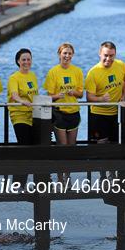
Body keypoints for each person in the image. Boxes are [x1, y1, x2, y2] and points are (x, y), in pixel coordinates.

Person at [84, 41, 125, 180]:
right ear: (100, 53)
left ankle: (113, 173)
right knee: (102, 144)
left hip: (117, 113)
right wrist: (101, 99)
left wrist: (123, 96)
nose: (108, 59)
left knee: (116, 143)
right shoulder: (93, 72)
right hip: (99, 114)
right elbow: (89, 97)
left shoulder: (121, 65)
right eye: (105, 55)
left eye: (111, 56)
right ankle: (103, 175)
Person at [44, 42, 84, 182]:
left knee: (71, 147)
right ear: (59, 54)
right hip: (59, 113)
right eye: (64, 53)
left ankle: (68, 178)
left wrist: (74, 92)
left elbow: (81, 95)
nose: (67, 56)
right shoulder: (53, 72)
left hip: (74, 112)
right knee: (62, 145)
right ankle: (60, 179)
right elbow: (49, 96)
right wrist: (58, 96)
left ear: (72, 55)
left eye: (69, 53)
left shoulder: (77, 71)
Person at [8, 48, 39, 186]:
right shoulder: (14, 77)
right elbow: (14, 95)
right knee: (24, 145)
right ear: (18, 61)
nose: (26, 62)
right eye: (23, 60)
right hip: (19, 114)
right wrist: (22, 101)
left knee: (34, 146)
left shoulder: (32, 76)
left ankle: (31, 180)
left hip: (33, 115)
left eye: (28, 59)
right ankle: (18, 183)